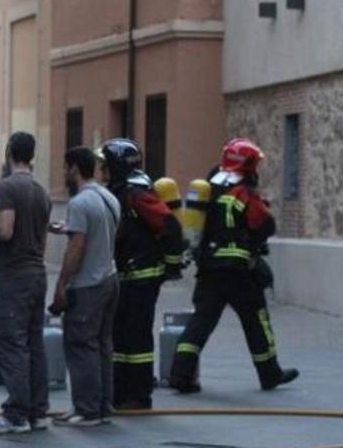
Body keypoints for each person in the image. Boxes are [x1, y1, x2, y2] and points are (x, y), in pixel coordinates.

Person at [170, 138, 299, 393]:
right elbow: (264, 224)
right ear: (249, 165)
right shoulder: (243, 192)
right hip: (239, 271)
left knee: (201, 322)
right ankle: (269, 373)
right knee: (256, 320)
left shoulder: (209, 189)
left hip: (209, 268)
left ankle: (180, 375)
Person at [98, 138, 184, 410]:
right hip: (126, 278)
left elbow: (170, 226)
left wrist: (170, 267)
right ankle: (120, 392)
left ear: (118, 166)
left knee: (137, 339)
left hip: (142, 278)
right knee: (121, 338)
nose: (101, 172)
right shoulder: (120, 191)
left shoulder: (138, 194)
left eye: (105, 166)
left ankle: (139, 395)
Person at [0, 132, 51, 435]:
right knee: (35, 344)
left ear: (9, 152)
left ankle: (16, 414)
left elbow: (5, 230)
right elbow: (43, 236)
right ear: (31, 154)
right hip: (37, 274)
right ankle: (38, 412)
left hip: (14, 276)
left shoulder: (8, 187)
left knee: (12, 344)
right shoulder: (41, 190)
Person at [49, 146, 120, 427]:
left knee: (81, 346)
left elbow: (77, 247)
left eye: (66, 168)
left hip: (88, 283)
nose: (64, 173)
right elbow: (98, 232)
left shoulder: (79, 203)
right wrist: (69, 227)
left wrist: (62, 284)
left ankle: (86, 409)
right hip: (110, 278)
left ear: (75, 169)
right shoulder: (108, 197)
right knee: (102, 345)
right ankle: (102, 406)